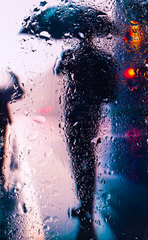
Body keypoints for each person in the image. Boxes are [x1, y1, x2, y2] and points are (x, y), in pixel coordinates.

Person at [56, 36, 117, 223]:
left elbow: (59, 72)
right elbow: (111, 91)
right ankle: (88, 202)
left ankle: (83, 201)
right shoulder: (102, 58)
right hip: (92, 111)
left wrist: (66, 60)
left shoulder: (72, 55)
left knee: (77, 156)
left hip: (74, 111)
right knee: (89, 155)